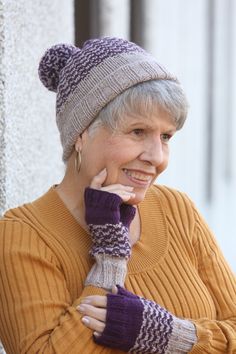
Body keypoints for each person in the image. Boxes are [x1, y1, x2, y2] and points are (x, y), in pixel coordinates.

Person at [0, 37, 235, 354]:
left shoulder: (176, 208)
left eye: (165, 137)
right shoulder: (23, 235)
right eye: (138, 132)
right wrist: (109, 258)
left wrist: (172, 336)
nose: (157, 156)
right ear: (82, 135)